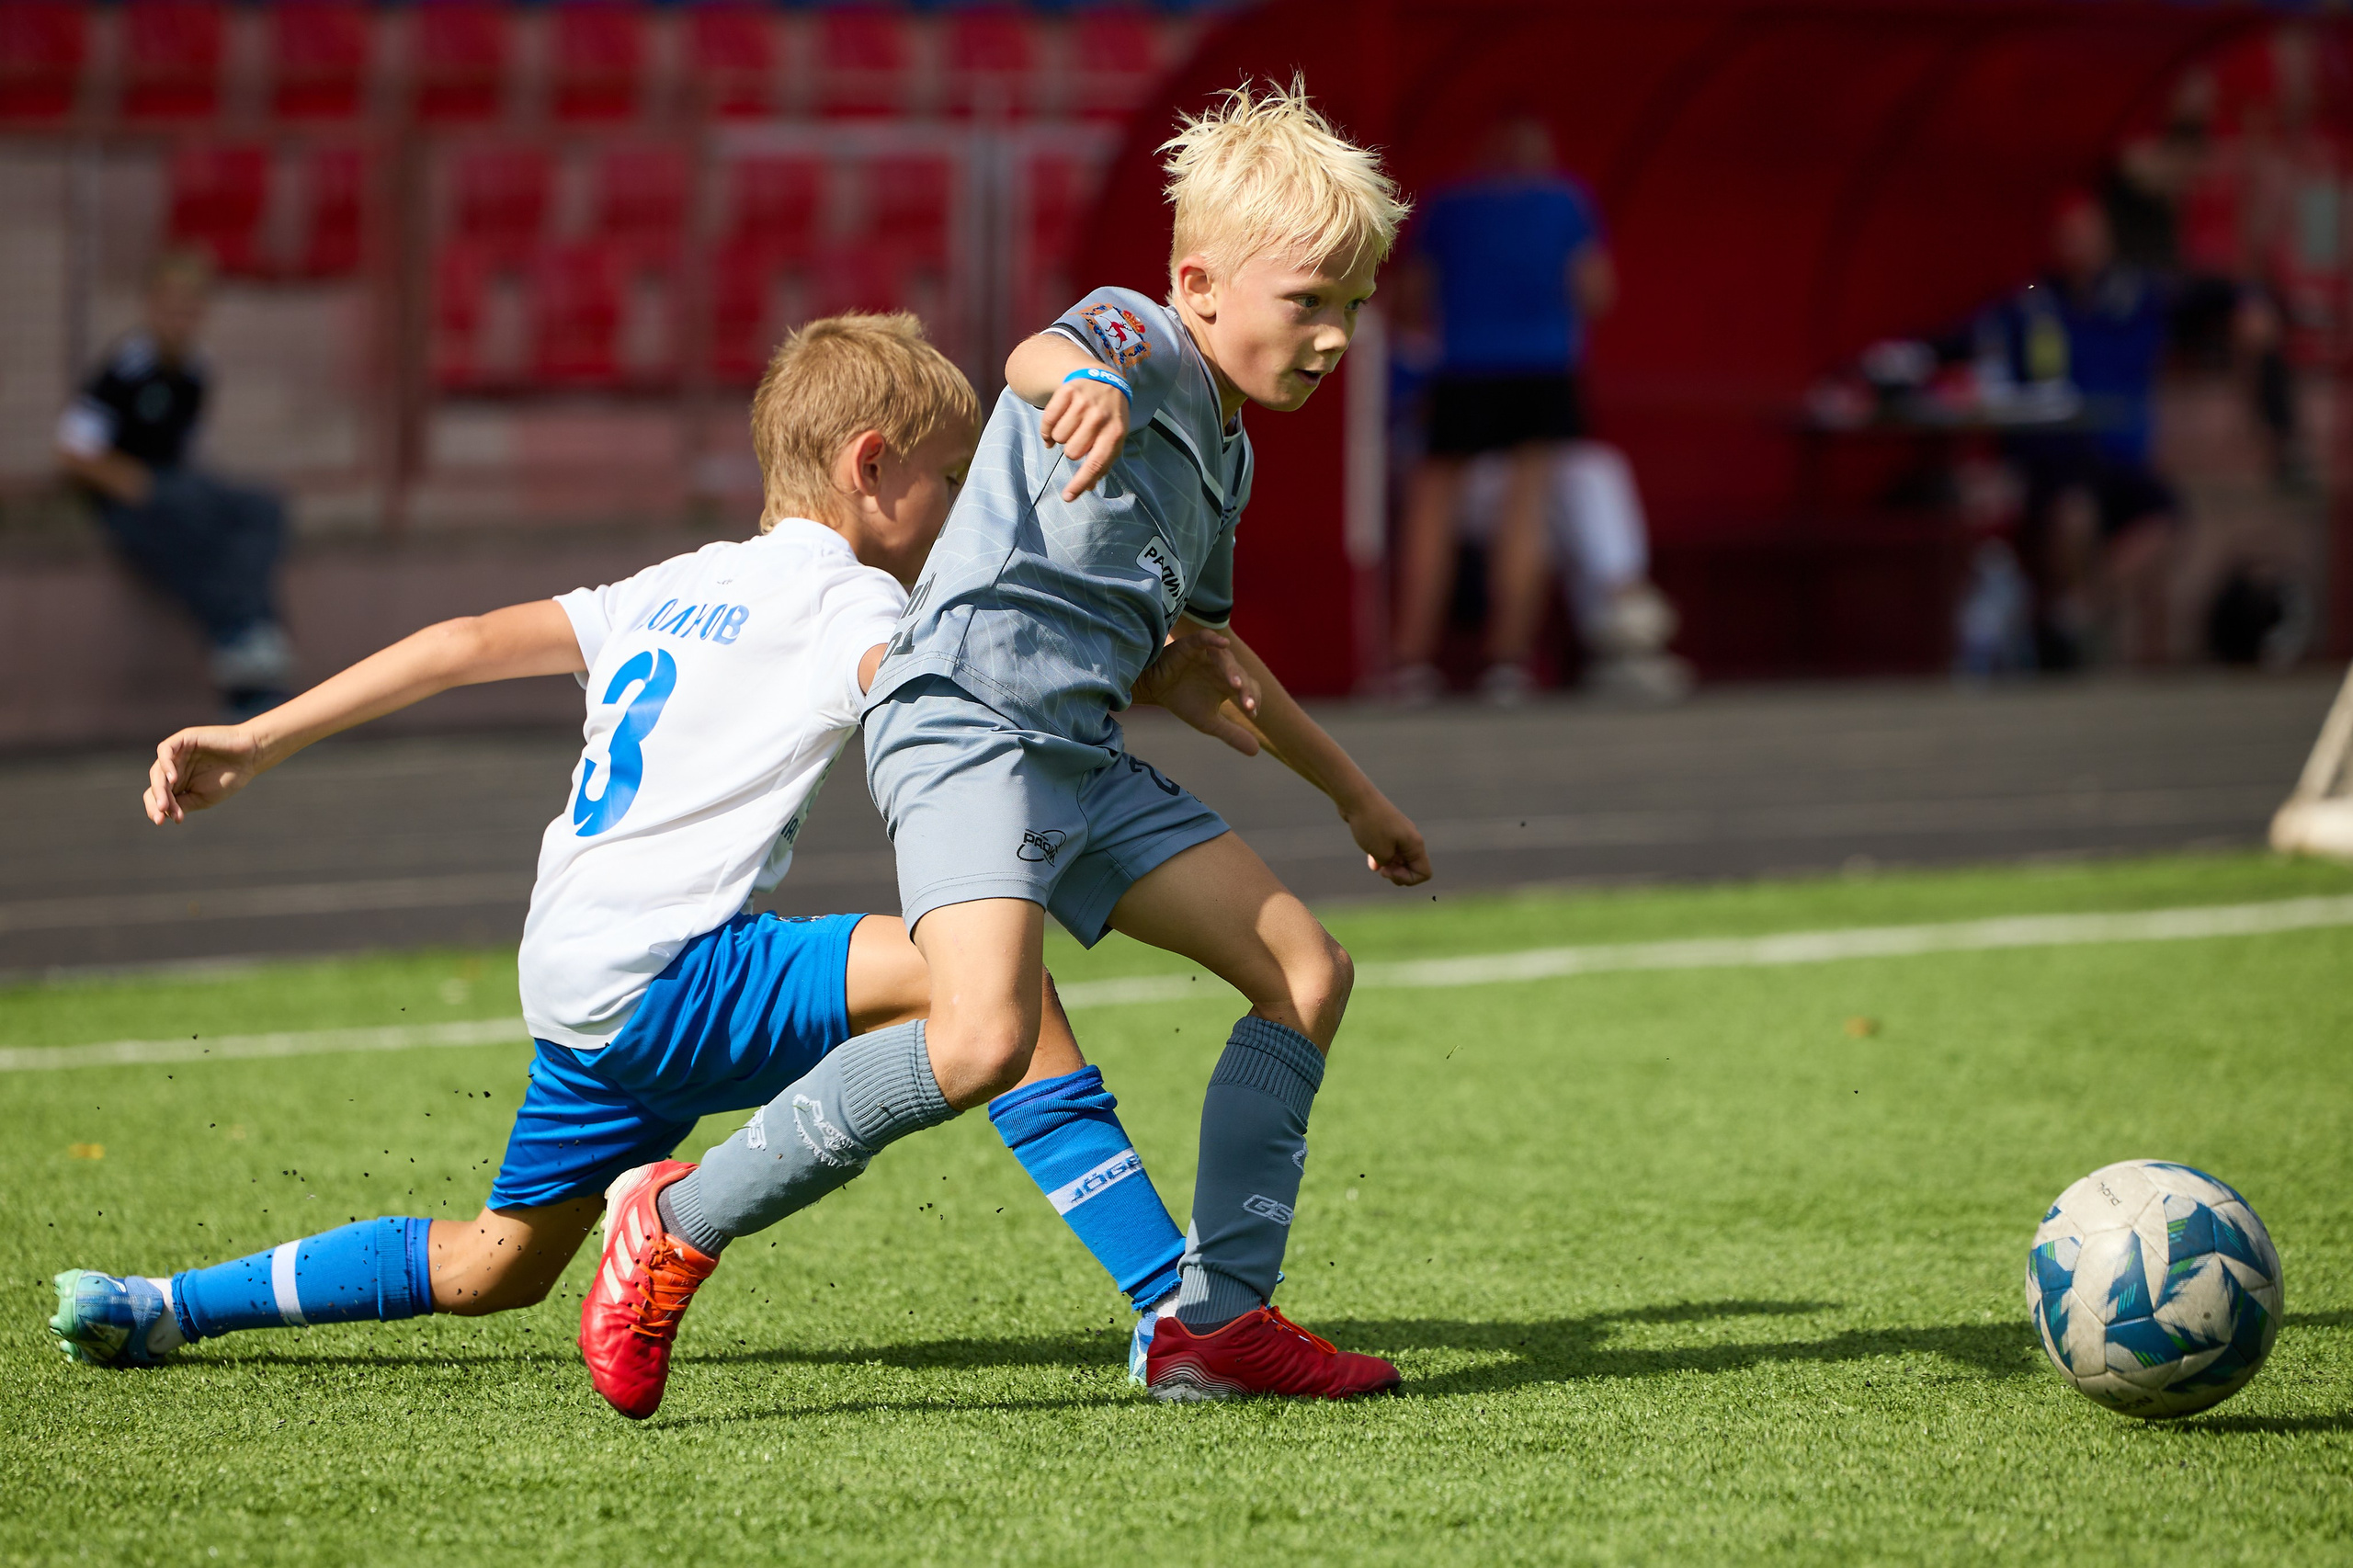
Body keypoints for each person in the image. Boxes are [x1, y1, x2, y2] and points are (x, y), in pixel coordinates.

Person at [47, 313, 1250, 1421]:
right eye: (944, 480)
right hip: (675, 970)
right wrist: (1146, 668)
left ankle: (161, 1303)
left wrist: (255, 737)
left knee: (490, 1267)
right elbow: (964, 693)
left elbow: (459, 644)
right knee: (994, 982)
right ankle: (1171, 1311)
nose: (949, 511)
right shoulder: (848, 604)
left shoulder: (672, 587)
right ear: (870, 464)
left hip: (578, 983)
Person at [612, 80, 1431, 1409]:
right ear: (1201, 285)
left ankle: (1211, 1324)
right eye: (1310, 301)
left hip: (1078, 753)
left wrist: (1356, 796)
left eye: (1353, 304)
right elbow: (1038, 358)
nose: (1336, 334)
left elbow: (1205, 660)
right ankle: (679, 1217)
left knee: (1304, 969)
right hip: (966, 728)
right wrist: (1091, 382)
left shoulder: (1229, 463)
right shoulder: (1143, 342)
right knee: (983, 1036)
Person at [1389, 114, 1625, 704]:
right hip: (1543, 366)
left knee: (1432, 509)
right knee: (1527, 509)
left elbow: (1411, 298)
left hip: (1463, 367)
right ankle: (1508, 661)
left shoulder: (1449, 207)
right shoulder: (1567, 203)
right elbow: (1594, 291)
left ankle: (1412, 660)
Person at [56, 248, 296, 718]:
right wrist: (132, 480)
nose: (180, 320)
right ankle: (248, 640)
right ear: (150, 306)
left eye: (190, 309)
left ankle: (248, 637)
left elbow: (188, 449)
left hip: (177, 489)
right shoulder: (125, 369)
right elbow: (73, 450)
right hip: (131, 500)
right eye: (171, 307)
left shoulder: (197, 371)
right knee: (198, 531)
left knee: (262, 508)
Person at [1981, 197, 2178, 667]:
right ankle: (2065, 631)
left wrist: (2250, 302)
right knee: (2074, 515)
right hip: (2058, 460)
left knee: (2165, 520)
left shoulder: (2140, 299)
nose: (2079, 247)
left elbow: (2209, 294)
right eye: (2070, 236)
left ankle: (2075, 616)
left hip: (2120, 463)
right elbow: (1968, 340)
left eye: (2088, 235)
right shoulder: (2033, 302)